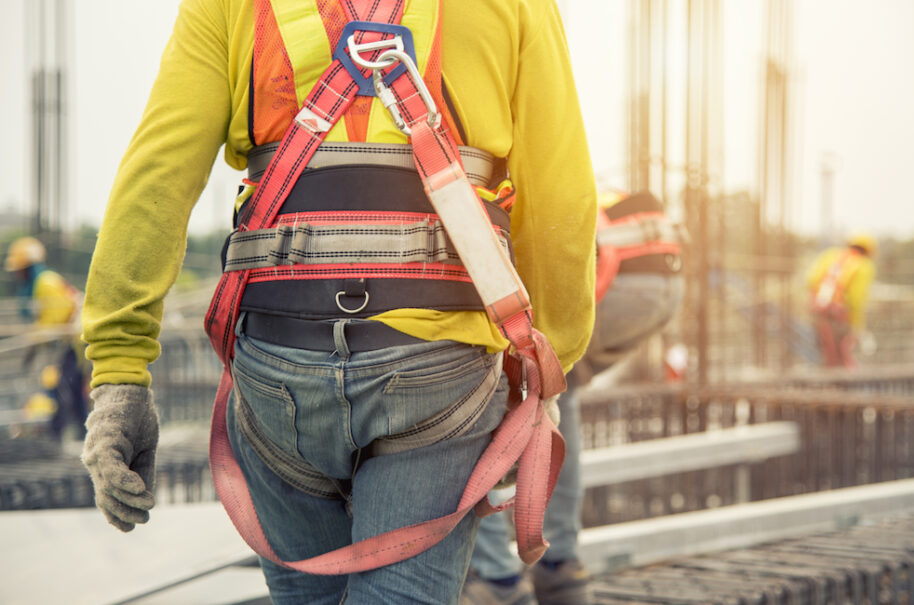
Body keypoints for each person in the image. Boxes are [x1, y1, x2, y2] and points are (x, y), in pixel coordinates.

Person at [78, 1, 596, 603]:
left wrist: (119, 374)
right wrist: (544, 375)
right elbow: (562, 195)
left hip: (277, 365)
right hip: (434, 366)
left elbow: (158, 173)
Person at [462, 191, 686, 605]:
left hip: (614, 277)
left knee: (477, 407)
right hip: (661, 280)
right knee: (560, 398)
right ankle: (560, 568)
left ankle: (497, 578)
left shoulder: (478, 179)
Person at [4, 236, 88, 441]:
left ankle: (58, 437)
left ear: (28, 268)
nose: (17, 274)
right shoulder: (43, 282)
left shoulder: (46, 282)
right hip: (71, 343)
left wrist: (34, 343)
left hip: (73, 343)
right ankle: (80, 435)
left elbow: (56, 320)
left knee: (63, 388)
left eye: (19, 269)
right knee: (72, 390)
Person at [805, 232, 877, 368]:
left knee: (827, 350)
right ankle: (842, 380)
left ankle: (831, 376)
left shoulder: (831, 254)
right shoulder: (864, 265)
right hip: (839, 314)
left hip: (818, 309)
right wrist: (857, 325)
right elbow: (856, 300)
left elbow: (811, 280)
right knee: (844, 350)